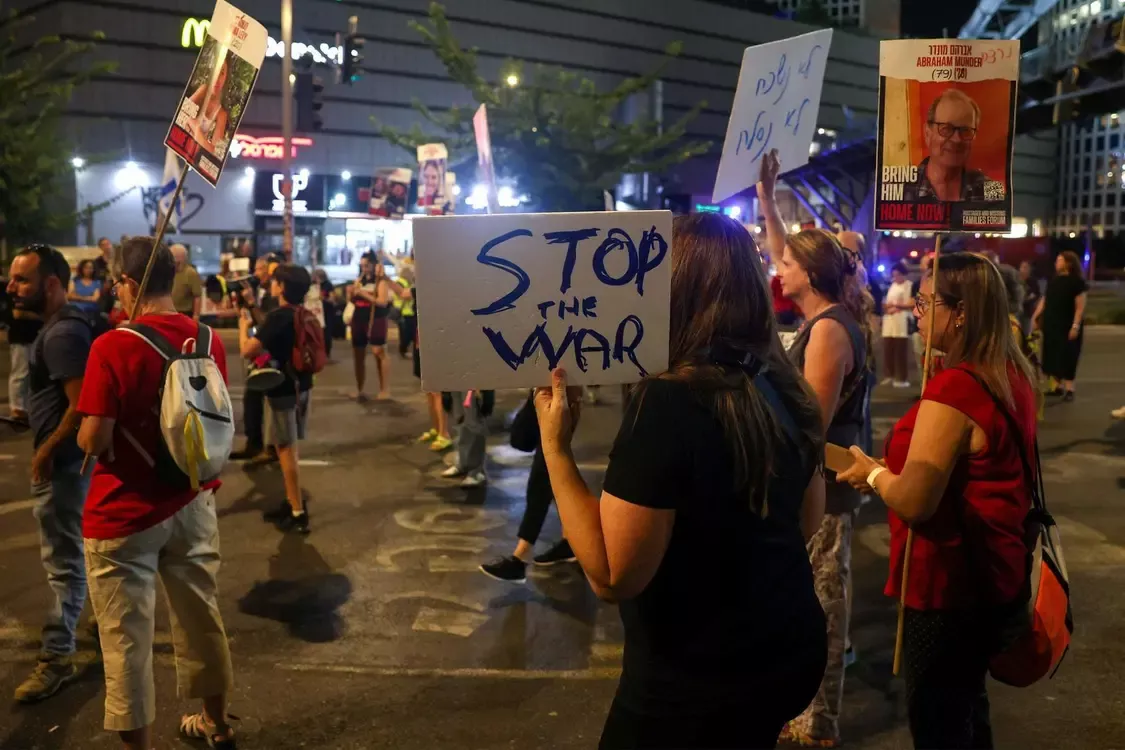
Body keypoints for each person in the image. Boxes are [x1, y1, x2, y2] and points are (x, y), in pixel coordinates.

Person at [534, 212, 828, 748]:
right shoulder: (787, 387)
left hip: (695, 678)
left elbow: (611, 576)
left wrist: (556, 448)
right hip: (786, 652)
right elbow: (806, 522)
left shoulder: (669, 402)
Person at [837, 252, 1039, 749]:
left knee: (939, 722)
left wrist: (876, 474)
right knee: (968, 709)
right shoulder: (1010, 371)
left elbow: (916, 500)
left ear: (962, 311)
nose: (919, 313)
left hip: (949, 583)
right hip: (994, 574)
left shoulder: (956, 388)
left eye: (928, 303)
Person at [76, 236, 235, 750]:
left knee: (126, 641)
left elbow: (95, 438)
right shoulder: (208, 341)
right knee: (201, 616)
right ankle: (216, 724)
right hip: (192, 501)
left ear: (129, 283)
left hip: (125, 512)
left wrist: (84, 433)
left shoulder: (113, 345)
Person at [769, 228, 869, 747]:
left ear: (809, 273)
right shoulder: (824, 321)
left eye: (786, 263)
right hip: (818, 489)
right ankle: (806, 712)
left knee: (824, 606)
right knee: (813, 601)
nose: (779, 270)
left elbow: (812, 427)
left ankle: (819, 721)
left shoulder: (829, 330)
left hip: (824, 492)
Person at [6, 245, 94, 703]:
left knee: (62, 564)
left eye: (21, 279)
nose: (11, 287)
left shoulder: (60, 335)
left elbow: (82, 406)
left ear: (53, 284)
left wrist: (46, 449)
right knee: (82, 552)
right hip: (70, 462)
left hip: (62, 466)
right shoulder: (69, 325)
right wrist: (36, 418)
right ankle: (102, 625)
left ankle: (57, 657)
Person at [239, 263, 314, 534]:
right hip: (302, 386)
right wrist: (252, 307)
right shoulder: (298, 313)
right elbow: (270, 330)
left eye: (275, 281)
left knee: (285, 450)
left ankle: (297, 512)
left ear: (282, 287)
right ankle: (290, 501)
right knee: (289, 447)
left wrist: (242, 326)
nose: (271, 283)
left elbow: (248, 351)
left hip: (283, 390)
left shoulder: (279, 316)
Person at [479, 395, 576, 584]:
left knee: (543, 473)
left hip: (561, 393)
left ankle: (521, 555)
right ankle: (570, 540)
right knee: (524, 441)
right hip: (545, 389)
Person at [904, 89, 990, 203]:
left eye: (965, 131)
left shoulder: (990, 190)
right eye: (946, 129)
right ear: (927, 133)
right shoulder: (900, 190)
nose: (956, 139)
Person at [230, 256, 277, 461]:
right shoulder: (264, 292)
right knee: (253, 399)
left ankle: (270, 447)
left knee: (268, 401)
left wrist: (251, 302)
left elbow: (267, 324)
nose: (256, 274)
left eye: (259, 270)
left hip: (271, 354)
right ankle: (255, 443)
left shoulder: (275, 295)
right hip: (261, 350)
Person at [347, 252, 408, 401]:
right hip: (359, 318)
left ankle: (384, 389)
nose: (364, 269)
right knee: (358, 354)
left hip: (376, 318)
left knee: (378, 351)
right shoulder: (359, 280)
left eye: (367, 266)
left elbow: (382, 301)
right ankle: (359, 388)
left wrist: (362, 293)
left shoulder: (381, 282)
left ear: (375, 265)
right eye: (362, 266)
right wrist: (351, 293)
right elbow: (352, 300)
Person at [1033, 251, 1087, 402]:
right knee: (1052, 354)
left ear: (1068, 263)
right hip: (1052, 324)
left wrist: (1075, 326)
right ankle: (1057, 386)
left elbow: (1080, 307)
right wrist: (1036, 316)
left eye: (1059, 260)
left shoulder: (1077, 282)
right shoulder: (1053, 281)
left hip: (1067, 324)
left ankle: (1070, 388)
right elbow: (1045, 300)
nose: (1056, 263)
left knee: (1068, 355)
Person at [441, 389, 493, 487]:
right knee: (459, 419)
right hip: (455, 380)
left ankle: (476, 472)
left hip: (475, 381)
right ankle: (463, 463)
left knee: (474, 422)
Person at [187, 57, 231, 154]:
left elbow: (214, 153)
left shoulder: (221, 114)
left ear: (226, 78)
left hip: (195, 153)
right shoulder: (204, 90)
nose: (218, 78)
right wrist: (203, 140)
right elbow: (183, 112)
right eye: (216, 71)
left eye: (222, 73)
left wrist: (196, 129)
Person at [6, 307, 41, 425]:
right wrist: (45, 315)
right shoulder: (18, 294)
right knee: (21, 373)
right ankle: (17, 409)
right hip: (21, 336)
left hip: (33, 336)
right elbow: (17, 313)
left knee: (31, 374)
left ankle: (25, 408)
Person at [882, 262, 914, 388]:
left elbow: (909, 303)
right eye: (893, 275)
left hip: (901, 320)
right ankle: (889, 375)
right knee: (888, 348)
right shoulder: (892, 285)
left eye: (897, 275)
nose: (895, 278)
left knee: (900, 350)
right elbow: (887, 302)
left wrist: (896, 306)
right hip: (889, 320)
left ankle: (901, 377)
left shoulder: (908, 286)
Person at [170, 244, 202, 322]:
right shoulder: (168, 272)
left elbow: (197, 296)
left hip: (185, 314)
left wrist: (196, 316)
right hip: (169, 312)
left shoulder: (191, 273)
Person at [311, 268, 336, 359]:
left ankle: (326, 352)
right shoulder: (312, 286)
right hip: (315, 312)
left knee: (326, 334)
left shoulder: (328, 285)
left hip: (327, 312)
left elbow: (332, 299)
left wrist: (324, 298)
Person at [1019, 261, 1041, 335]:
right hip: (1016, 313)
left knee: (1026, 334)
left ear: (1030, 270)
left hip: (1027, 313)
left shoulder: (1033, 282)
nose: (1023, 269)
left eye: (1026, 267)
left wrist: (1028, 299)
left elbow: (1036, 295)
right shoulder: (1016, 280)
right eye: (1022, 267)